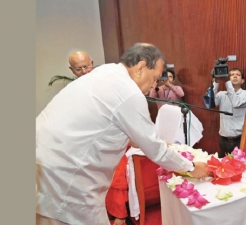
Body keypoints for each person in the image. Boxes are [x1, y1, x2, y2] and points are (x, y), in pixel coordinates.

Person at [36, 43, 210, 225]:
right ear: (141, 67)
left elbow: (122, 131)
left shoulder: (106, 72)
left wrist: (160, 145)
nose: (153, 85)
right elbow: (156, 151)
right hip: (63, 181)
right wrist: (190, 167)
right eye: (155, 78)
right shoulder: (129, 92)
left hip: (43, 166)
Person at [211, 68, 246, 158]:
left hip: (239, 140)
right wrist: (216, 81)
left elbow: (236, 103)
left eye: (238, 75)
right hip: (223, 140)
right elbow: (211, 103)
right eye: (231, 75)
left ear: (242, 81)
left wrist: (227, 81)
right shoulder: (221, 94)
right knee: (222, 168)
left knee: (237, 168)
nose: (234, 76)